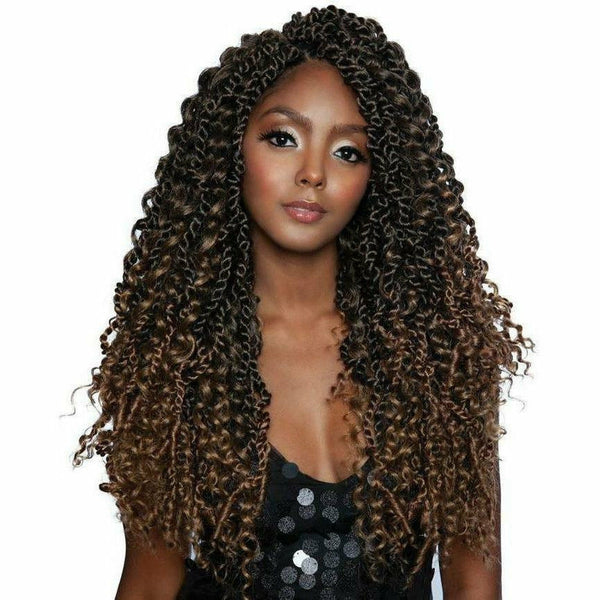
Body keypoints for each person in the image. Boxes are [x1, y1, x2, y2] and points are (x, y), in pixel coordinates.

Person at [71, 5, 534, 599]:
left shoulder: (437, 352)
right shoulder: (176, 358)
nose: (313, 173)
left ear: (380, 177)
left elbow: (476, 583)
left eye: (347, 151)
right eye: (283, 138)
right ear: (230, 151)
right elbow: (150, 581)